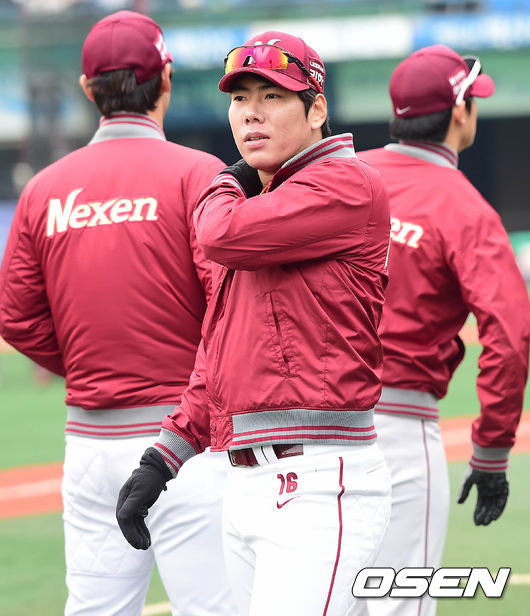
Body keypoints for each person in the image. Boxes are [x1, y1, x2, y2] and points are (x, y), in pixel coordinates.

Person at [116, 30, 393, 616]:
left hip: (318, 478)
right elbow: (220, 353)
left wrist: (229, 177)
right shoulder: (260, 201)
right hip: (244, 481)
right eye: (240, 98)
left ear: (316, 110)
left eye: (272, 96)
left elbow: (218, 234)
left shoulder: (345, 181)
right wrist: (163, 457)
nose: (250, 113)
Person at [0, 10, 236, 616]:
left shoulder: (44, 189)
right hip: (187, 443)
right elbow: (232, 308)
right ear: (166, 79)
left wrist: (87, 366)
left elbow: (16, 317)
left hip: (89, 445)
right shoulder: (199, 174)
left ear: (88, 89)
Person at [354, 45, 530, 616]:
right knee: (398, 604)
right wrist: (492, 450)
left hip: (306, 422)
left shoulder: (340, 175)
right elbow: (509, 334)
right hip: (400, 427)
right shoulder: (467, 209)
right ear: (459, 111)